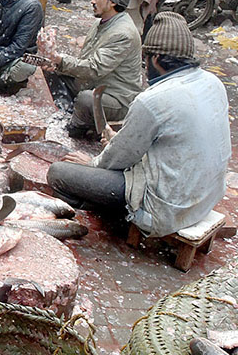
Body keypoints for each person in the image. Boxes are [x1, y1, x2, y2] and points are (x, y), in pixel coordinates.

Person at [46, 12, 230, 239]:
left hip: (166, 208)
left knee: (59, 174)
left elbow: (118, 159)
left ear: (155, 59)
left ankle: (122, 218)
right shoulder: (214, 83)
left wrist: (92, 162)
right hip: (207, 196)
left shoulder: (153, 99)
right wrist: (119, 139)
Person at [39, 0, 143, 138]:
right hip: (94, 83)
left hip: (116, 98)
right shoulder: (101, 23)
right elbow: (84, 61)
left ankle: (76, 131)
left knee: (87, 99)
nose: (93, 1)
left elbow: (94, 69)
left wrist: (59, 59)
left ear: (112, 2)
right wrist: (56, 64)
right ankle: (66, 113)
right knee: (51, 71)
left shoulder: (123, 33)